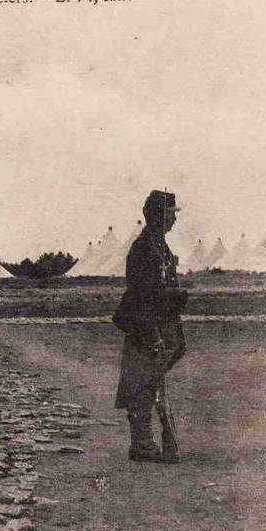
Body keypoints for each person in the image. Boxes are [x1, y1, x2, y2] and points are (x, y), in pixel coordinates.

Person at [113, 190, 187, 463]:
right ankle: (142, 444)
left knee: (149, 381)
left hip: (161, 324)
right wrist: (153, 338)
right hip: (145, 326)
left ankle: (145, 442)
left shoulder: (160, 246)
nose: (174, 220)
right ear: (156, 216)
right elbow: (141, 296)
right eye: (170, 214)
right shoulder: (143, 249)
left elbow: (163, 286)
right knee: (140, 382)